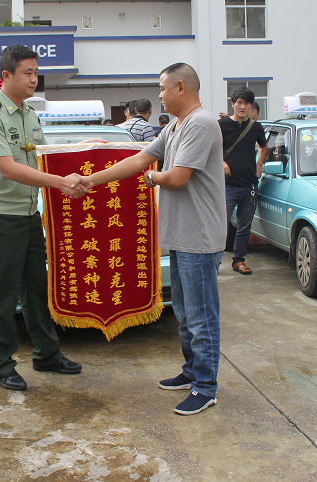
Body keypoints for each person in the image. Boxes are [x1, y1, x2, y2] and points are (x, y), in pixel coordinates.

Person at [79, 63, 226, 416]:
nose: (158, 95)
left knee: (202, 316)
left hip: (200, 237)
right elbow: (139, 158)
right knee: (187, 315)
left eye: (161, 88)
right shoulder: (175, 126)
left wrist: (153, 178)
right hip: (181, 234)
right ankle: (191, 373)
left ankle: (205, 387)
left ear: (180, 87)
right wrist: (92, 181)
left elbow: (175, 177)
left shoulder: (201, 123)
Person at [0, 44, 86, 392]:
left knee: (37, 287)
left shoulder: (29, 115)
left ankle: (46, 354)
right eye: (28, 73)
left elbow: (43, 159)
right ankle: (0, 363)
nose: (35, 79)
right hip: (0, 216)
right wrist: (60, 184)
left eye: (37, 73)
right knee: (3, 293)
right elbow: (8, 169)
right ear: (6, 76)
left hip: (27, 213)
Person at [218, 87, 267, 275]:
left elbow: (263, 146)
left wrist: (259, 164)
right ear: (232, 104)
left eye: (247, 103)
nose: (243, 106)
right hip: (227, 185)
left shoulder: (255, 126)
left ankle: (238, 261)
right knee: (221, 226)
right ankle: (215, 261)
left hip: (249, 185)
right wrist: (221, 161)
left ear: (251, 106)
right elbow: (210, 149)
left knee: (244, 226)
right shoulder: (221, 125)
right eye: (239, 102)